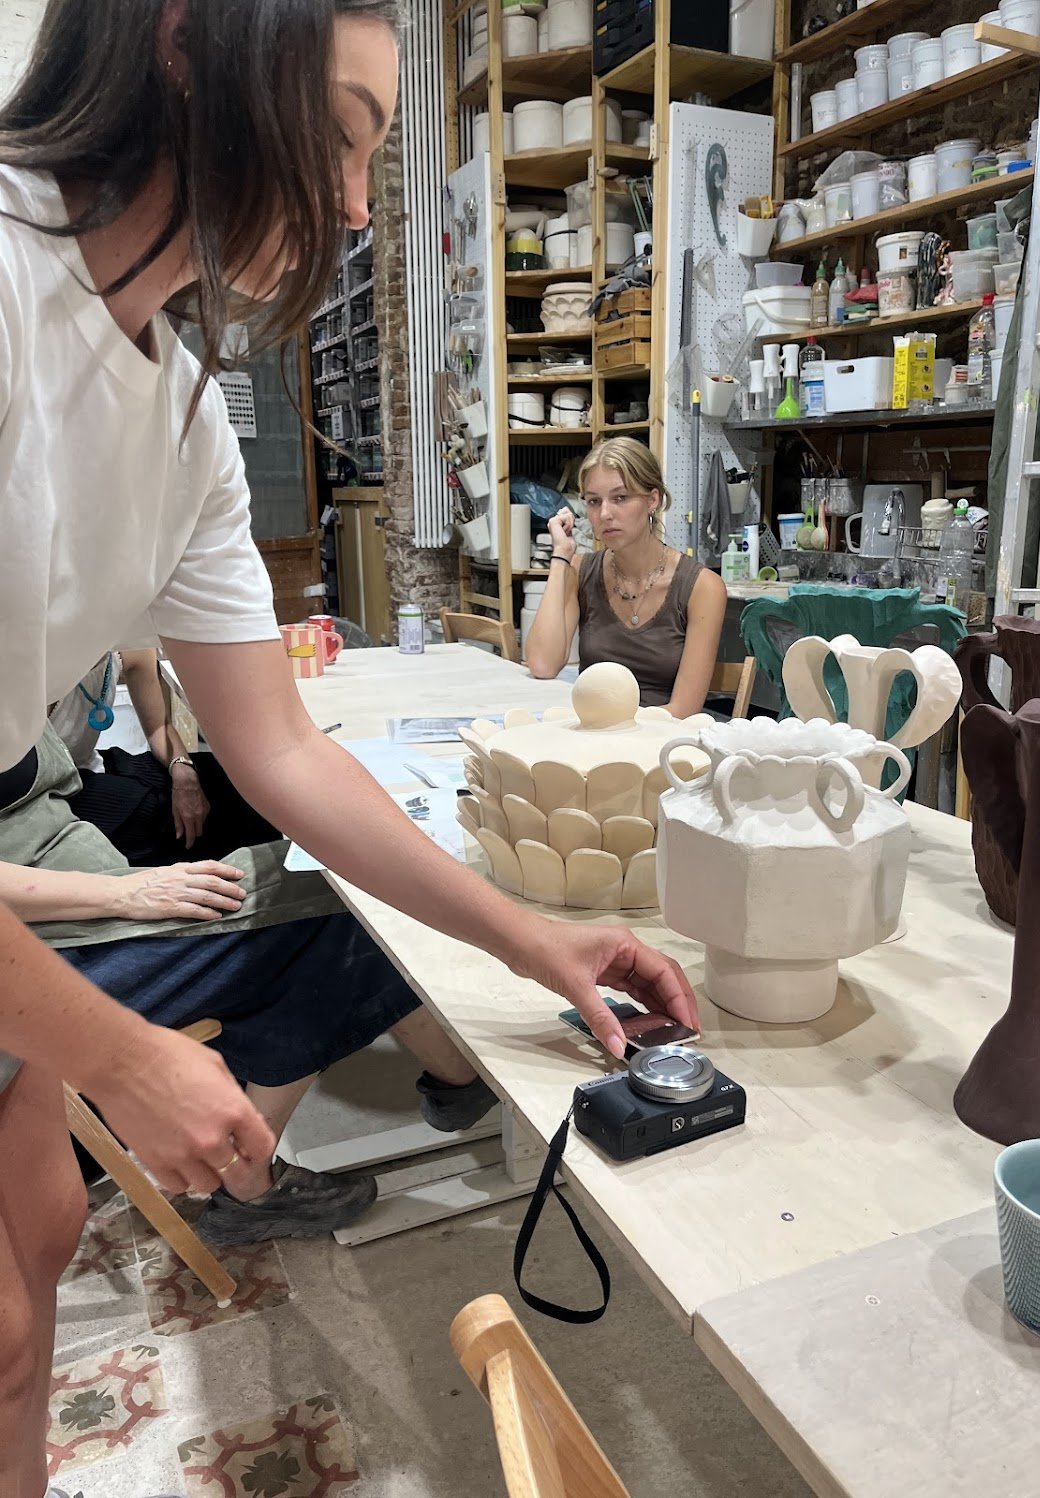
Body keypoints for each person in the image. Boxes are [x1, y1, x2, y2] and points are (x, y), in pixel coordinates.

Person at [0, 5, 698, 1494]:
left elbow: (284, 750)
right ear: (185, 43)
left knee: (33, 1259)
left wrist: (530, 940)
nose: (357, 207)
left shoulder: (182, 410)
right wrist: (118, 1056)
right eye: (337, 136)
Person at [1, 723, 497, 1246]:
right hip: (50, 940)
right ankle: (456, 1082)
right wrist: (121, 895)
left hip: (78, 893)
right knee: (341, 899)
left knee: (310, 909)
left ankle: (260, 1173)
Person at [525, 438, 728, 715]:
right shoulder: (581, 571)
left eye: (620, 498)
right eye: (594, 501)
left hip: (662, 737)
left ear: (652, 500)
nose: (604, 514)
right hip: (593, 732)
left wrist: (616, 730)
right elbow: (542, 665)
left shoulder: (702, 587)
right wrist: (561, 556)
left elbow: (684, 709)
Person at [51, 649, 278, 863]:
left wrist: (183, 772)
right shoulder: (48, 655)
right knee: (162, 817)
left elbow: (158, 727)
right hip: (48, 788)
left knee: (230, 782)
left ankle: (280, 875)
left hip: (89, 764)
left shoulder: (129, 643)